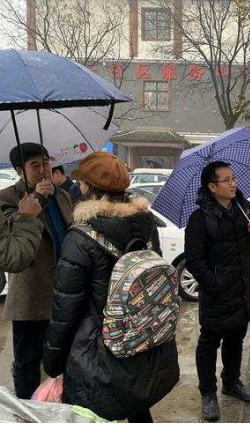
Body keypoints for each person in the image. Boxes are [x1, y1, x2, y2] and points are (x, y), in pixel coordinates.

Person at [43, 152, 180, 423]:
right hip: (142, 337)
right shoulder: (146, 225)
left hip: (97, 351)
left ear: (88, 187)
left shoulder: (80, 238)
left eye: (82, 181)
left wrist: (53, 361)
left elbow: (66, 309)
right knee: (136, 403)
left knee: (95, 413)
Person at [185, 161, 250, 422]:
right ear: (212, 187)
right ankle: (208, 393)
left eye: (234, 178)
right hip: (216, 295)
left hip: (242, 291)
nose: (233, 184)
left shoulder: (244, 208)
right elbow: (194, 261)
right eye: (226, 180)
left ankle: (231, 383)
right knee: (209, 343)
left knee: (236, 338)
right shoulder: (200, 219)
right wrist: (214, 285)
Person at [0, 143, 73, 400]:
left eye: (46, 163)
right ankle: (26, 407)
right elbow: (10, 240)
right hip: (30, 295)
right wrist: (36, 200)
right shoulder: (8, 197)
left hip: (64, 292)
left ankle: (58, 405)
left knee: (64, 358)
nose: (44, 170)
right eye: (35, 165)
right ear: (20, 171)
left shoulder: (62, 195)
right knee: (27, 360)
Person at [0, 193, 43, 272]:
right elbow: (12, 258)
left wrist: (21, 213)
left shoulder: (61, 195)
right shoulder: (7, 195)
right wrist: (27, 217)